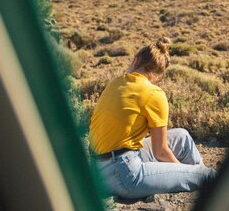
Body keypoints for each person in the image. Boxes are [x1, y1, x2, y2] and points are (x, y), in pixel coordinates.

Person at [89, 36, 217, 199]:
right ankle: (204, 185)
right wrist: (183, 171)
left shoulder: (115, 83)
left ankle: (198, 186)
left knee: (182, 136)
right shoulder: (154, 93)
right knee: (207, 175)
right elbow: (161, 152)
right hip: (124, 176)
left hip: (98, 169)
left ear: (135, 60)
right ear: (159, 74)